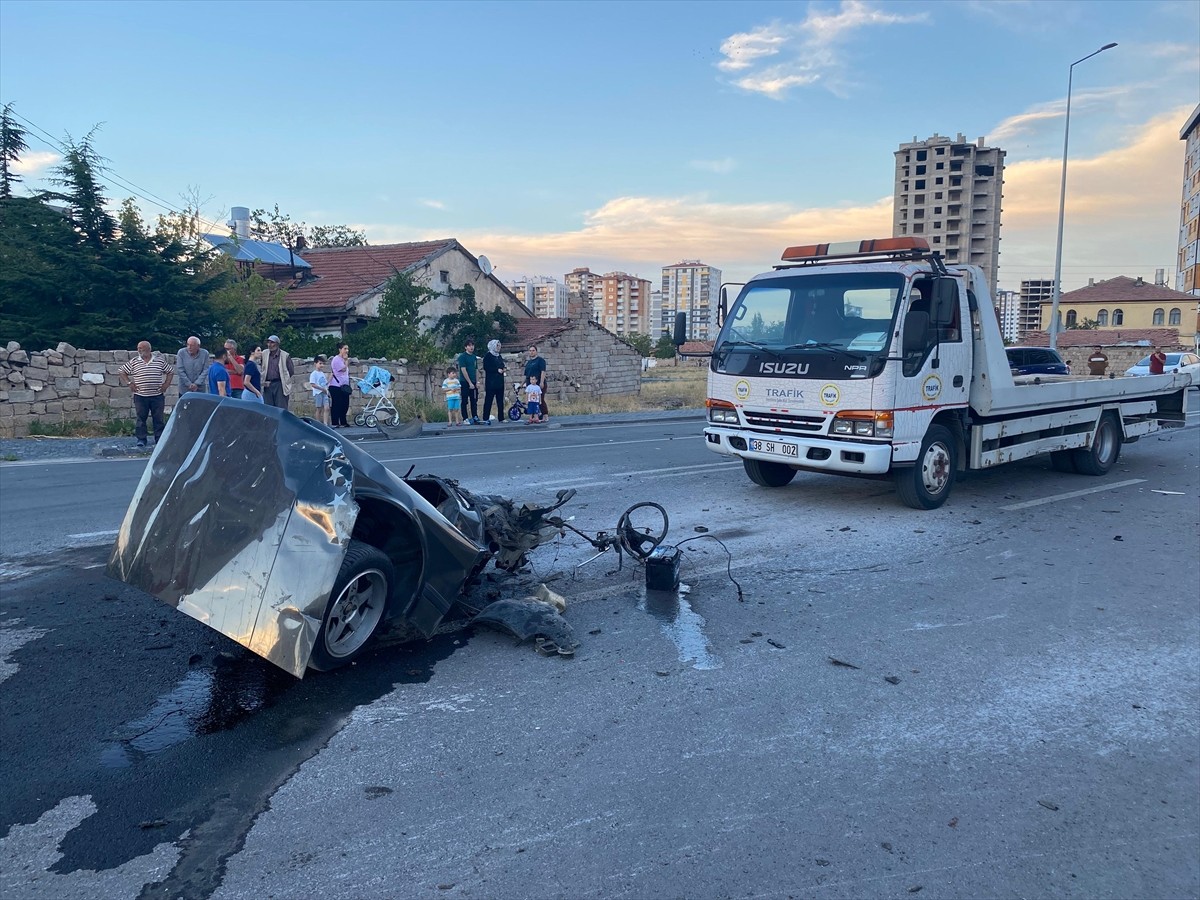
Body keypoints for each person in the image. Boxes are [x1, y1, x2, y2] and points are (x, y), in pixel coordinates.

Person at [119, 341, 174, 448]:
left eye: (141, 348)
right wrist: (129, 383)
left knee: (158, 418)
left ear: (148, 349)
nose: (139, 350)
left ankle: (159, 439)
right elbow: (122, 371)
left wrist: (166, 384)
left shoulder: (159, 361)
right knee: (141, 418)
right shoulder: (134, 361)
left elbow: (170, 371)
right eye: (138, 348)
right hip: (140, 396)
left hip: (157, 395)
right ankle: (141, 439)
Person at [262, 335, 295, 409]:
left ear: (277, 344)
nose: (269, 345)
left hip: (280, 384)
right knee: (268, 408)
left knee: (281, 407)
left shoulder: (285, 355)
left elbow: (291, 370)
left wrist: (285, 378)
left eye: (272, 342)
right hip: (268, 384)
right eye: (268, 342)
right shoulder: (264, 353)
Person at [481, 339, 506, 424]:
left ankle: (501, 418)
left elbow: (502, 365)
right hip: (491, 382)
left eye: (499, 346)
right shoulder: (488, 356)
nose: (498, 347)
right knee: (489, 400)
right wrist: (496, 370)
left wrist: (503, 369)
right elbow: (486, 367)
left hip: (499, 381)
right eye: (497, 345)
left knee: (500, 401)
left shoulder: (499, 356)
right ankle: (485, 417)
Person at [523, 344, 549, 421]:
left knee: (540, 399)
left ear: (536, 351)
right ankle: (534, 417)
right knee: (532, 400)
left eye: (533, 350)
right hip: (530, 385)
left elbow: (543, 371)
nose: (531, 352)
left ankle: (545, 415)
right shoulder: (528, 363)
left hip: (538, 384)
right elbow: (526, 376)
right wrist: (522, 384)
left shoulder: (540, 360)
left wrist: (541, 382)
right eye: (530, 351)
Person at [329, 343, 352, 427]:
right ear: (340, 349)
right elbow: (343, 369)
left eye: (347, 349)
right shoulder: (336, 359)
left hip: (344, 386)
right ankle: (335, 422)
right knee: (336, 404)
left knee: (345, 404)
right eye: (345, 349)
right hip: (336, 386)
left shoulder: (343, 360)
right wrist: (346, 361)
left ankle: (343, 421)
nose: (347, 351)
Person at [457, 337, 480, 424]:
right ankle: (465, 418)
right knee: (465, 400)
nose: (471, 347)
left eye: (472, 345)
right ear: (466, 347)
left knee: (474, 400)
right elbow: (463, 370)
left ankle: (475, 416)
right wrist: (469, 382)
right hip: (465, 382)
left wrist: (477, 381)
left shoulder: (474, 357)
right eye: (469, 346)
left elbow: (476, 370)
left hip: (474, 381)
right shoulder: (462, 357)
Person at [309, 355, 330, 425]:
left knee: (327, 408)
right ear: (315, 364)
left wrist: (326, 390)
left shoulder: (322, 373)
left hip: (324, 393)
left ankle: (325, 424)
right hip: (318, 393)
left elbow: (324, 383)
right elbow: (313, 384)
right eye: (320, 363)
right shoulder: (313, 374)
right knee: (319, 408)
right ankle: (318, 423)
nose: (322, 365)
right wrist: (321, 389)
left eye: (323, 364)